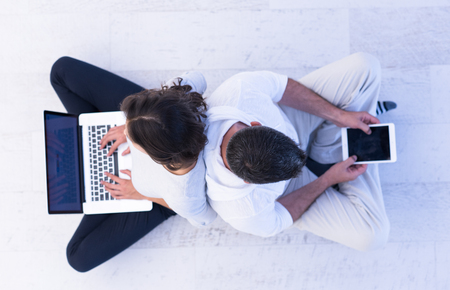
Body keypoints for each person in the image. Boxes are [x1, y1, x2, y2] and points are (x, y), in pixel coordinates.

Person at [203, 52, 391, 251]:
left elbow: (282, 88)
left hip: (292, 120)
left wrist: (339, 115)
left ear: (256, 123)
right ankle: (344, 152)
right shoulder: (242, 211)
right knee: (373, 236)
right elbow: (281, 216)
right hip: (291, 190)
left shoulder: (240, 91)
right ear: (248, 182)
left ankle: (340, 133)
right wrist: (327, 180)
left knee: (366, 66)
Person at [50, 56, 216, 272]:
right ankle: (147, 120)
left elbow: (205, 218)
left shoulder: (184, 195)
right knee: (61, 71)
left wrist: (141, 193)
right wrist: (148, 119)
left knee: (78, 257)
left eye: (133, 138)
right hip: (158, 119)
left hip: (154, 195)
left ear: (154, 155)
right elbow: (197, 77)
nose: (125, 131)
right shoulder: (180, 99)